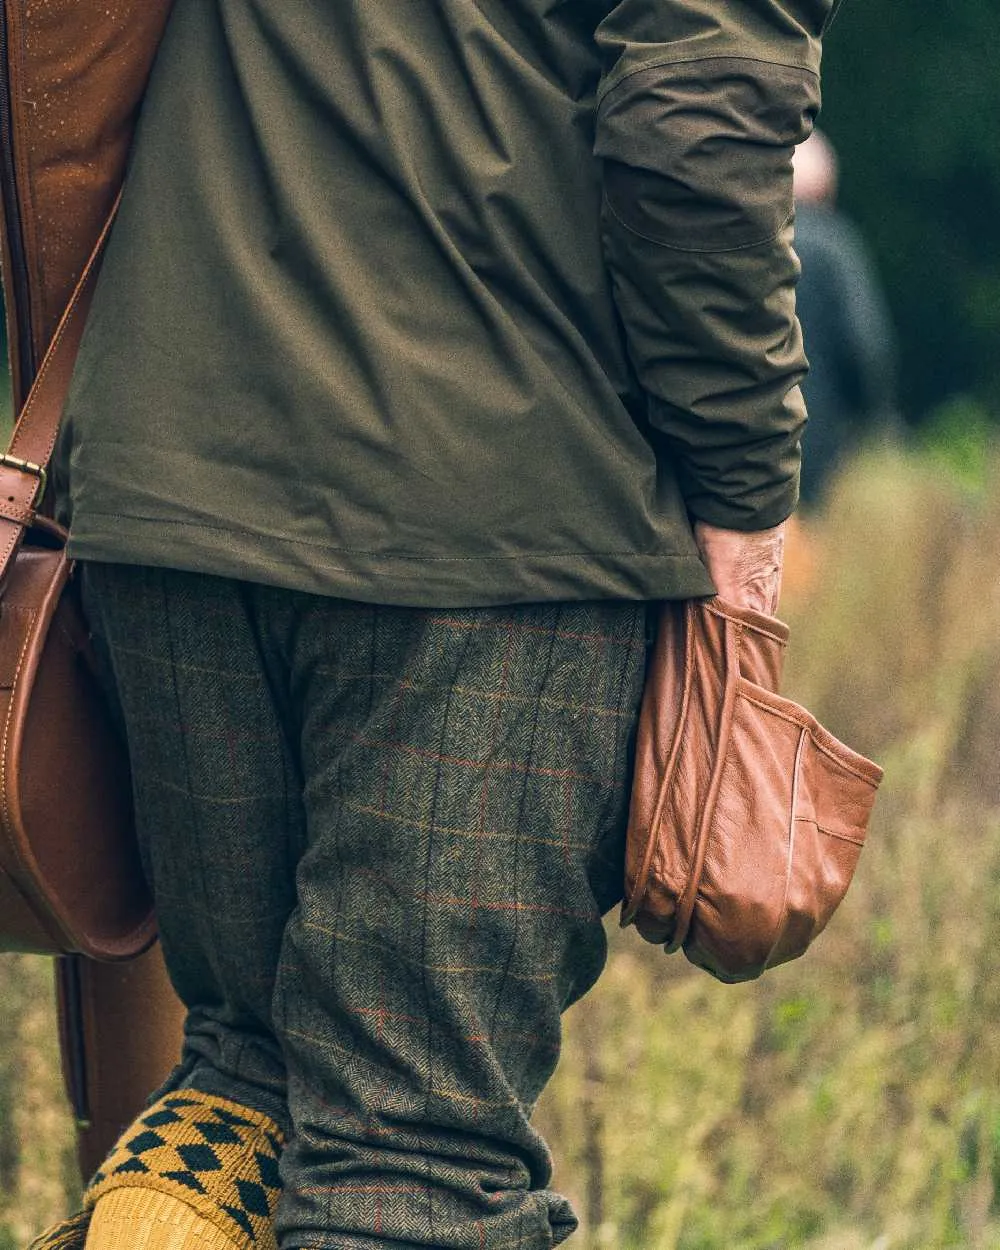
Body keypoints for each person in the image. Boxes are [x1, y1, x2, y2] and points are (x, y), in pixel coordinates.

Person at [6, 0, 835, 1246]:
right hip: (478, 511)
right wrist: (744, 491)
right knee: (416, 1166)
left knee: (247, 1081)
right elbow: (696, 122)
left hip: (164, 483)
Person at [792, 128, 898, 506]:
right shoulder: (836, 246)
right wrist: (875, 420)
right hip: (816, 442)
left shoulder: (740, 243)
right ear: (826, 187)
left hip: (737, 444)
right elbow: (865, 346)